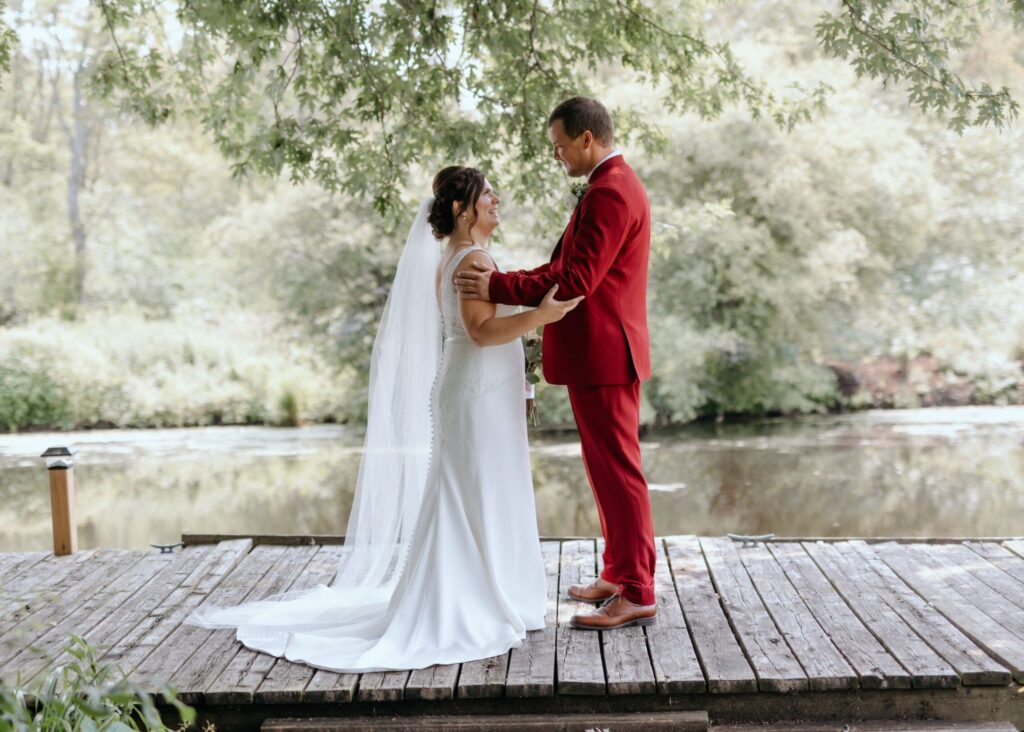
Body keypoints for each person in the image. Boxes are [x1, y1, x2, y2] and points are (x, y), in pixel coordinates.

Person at [183, 166, 583, 671]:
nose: (496, 199)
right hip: (474, 392)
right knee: (471, 492)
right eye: (486, 195)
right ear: (462, 209)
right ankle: (468, 600)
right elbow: (480, 332)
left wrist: (521, 375)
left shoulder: (461, 257)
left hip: (480, 390)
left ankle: (482, 590)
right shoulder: (472, 258)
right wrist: (544, 317)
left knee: (475, 491)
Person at [454, 96, 658, 631]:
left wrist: (498, 284)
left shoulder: (611, 192)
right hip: (602, 352)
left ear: (587, 139)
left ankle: (638, 590)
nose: (557, 155)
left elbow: (577, 281)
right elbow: (566, 265)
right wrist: (511, 281)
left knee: (620, 473)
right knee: (604, 470)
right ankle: (618, 571)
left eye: (560, 145)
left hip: (607, 352)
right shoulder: (608, 188)